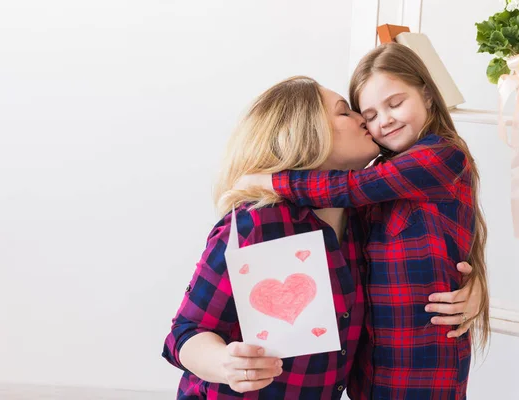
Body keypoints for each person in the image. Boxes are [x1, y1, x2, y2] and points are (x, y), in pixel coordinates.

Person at [162, 75, 482, 399]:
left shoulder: (367, 223)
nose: (365, 120)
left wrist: (472, 287)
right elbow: (184, 334)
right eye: (347, 112)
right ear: (307, 133)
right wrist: (225, 363)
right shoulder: (259, 224)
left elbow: (427, 262)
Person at [237, 43, 490, 399]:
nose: (383, 120)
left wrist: (271, 181)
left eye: (395, 103)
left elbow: (354, 187)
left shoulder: (444, 155)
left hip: (425, 367)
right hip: (369, 371)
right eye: (369, 114)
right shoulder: (375, 183)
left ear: (429, 97)